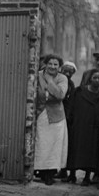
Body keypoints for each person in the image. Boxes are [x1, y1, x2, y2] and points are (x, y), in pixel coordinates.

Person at [65, 69, 99, 185]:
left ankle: (87, 177)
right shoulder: (79, 92)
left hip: (93, 128)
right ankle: (72, 175)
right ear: (90, 79)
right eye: (95, 78)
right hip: (79, 125)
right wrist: (70, 119)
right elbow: (71, 105)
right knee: (74, 148)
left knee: (90, 151)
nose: (97, 80)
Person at [33, 54, 69, 185]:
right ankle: (40, 171)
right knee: (42, 143)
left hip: (56, 116)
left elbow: (60, 94)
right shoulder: (37, 75)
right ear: (45, 64)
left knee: (54, 145)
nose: (53, 67)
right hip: (40, 113)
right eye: (50, 64)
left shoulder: (62, 78)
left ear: (59, 67)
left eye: (56, 65)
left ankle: (50, 174)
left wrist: (49, 80)